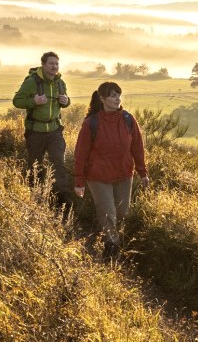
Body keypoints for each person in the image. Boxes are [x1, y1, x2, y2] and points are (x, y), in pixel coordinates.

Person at [74, 81, 149, 260]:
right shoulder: (91, 123)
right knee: (108, 213)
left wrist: (143, 172)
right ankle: (112, 251)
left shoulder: (128, 119)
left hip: (123, 173)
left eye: (118, 95)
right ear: (102, 98)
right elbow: (80, 153)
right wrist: (79, 181)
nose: (117, 99)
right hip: (98, 176)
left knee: (123, 212)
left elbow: (137, 147)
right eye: (113, 95)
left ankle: (107, 236)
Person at [12, 51, 74, 215]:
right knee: (35, 167)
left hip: (55, 131)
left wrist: (66, 101)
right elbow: (17, 101)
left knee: (59, 166)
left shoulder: (60, 83)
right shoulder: (32, 82)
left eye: (57, 64)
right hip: (35, 132)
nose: (54, 67)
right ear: (43, 65)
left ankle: (64, 207)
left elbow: (66, 101)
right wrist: (34, 101)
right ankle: (35, 201)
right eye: (51, 63)